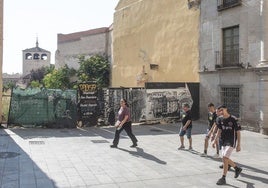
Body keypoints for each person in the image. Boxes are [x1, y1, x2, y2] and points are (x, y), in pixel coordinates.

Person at [212, 105, 242, 185]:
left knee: (225, 157)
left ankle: (223, 178)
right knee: (225, 158)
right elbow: (219, 130)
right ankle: (236, 168)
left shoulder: (234, 119)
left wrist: (238, 144)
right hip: (223, 140)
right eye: (218, 111)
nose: (219, 112)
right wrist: (215, 140)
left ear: (225, 109)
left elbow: (238, 132)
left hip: (231, 141)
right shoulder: (219, 119)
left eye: (221, 110)